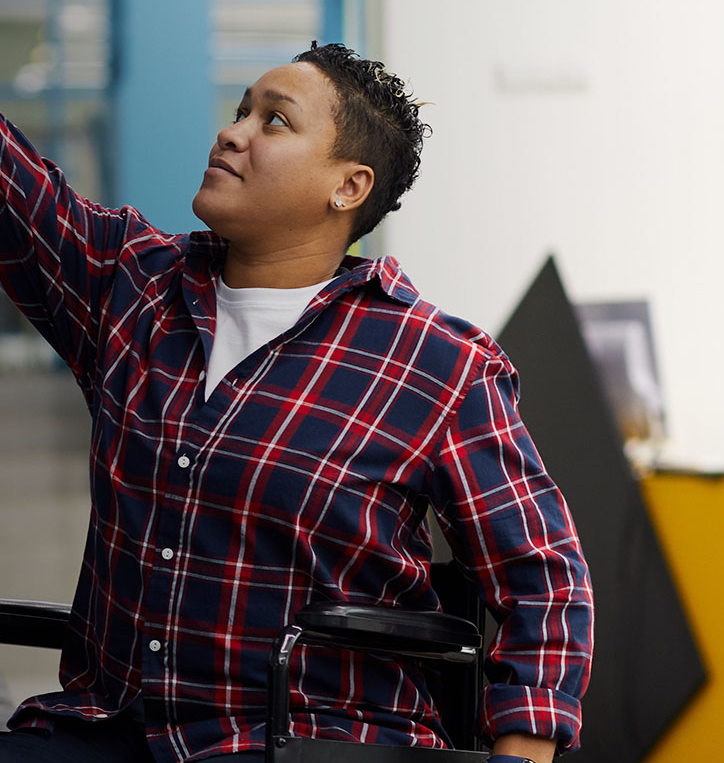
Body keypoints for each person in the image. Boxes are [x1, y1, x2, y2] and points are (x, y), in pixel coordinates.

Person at [0, 42, 593, 763]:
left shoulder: (437, 365)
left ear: (347, 186)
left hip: (312, 741)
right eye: (240, 110)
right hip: (107, 729)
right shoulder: (132, 288)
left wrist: (522, 754)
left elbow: (546, 579)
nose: (234, 131)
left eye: (274, 121)